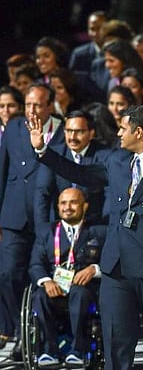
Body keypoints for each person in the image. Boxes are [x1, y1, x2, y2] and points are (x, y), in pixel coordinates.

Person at [30, 105, 143, 369]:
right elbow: (80, 174)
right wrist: (43, 151)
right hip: (115, 268)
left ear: (139, 131)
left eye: (123, 128)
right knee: (115, 342)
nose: (118, 133)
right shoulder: (116, 160)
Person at [0, 83, 64, 345]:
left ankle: (46, 334)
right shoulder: (14, 128)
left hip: (47, 217)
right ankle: (15, 328)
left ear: (50, 105)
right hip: (14, 215)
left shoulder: (62, 130)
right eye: (28, 105)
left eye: (38, 104)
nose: (32, 110)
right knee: (7, 274)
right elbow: (2, 171)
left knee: (45, 275)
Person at [28, 188, 106, 367]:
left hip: (84, 290)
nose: (67, 207)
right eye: (63, 203)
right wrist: (45, 281)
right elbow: (35, 264)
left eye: (73, 202)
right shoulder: (47, 232)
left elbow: (112, 261)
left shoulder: (98, 231)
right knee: (39, 295)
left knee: (80, 293)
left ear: (84, 206)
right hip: (54, 287)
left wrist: (94, 269)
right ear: (57, 207)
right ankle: (50, 350)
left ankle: (78, 349)